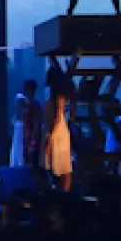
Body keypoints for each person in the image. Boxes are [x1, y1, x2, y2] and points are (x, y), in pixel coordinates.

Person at [44, 63, 74, 191]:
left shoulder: (57, 98)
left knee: (58, 165)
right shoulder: (59, 96)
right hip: (59, 130)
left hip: (57, 132)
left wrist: (49, 136)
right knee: (60, 165)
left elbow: (56, 116)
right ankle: (62, 192)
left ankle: (62, 192)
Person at [20, 79, 43, 167]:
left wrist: (33, 142)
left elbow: (37, 124)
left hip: (32, 141)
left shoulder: (35, 106)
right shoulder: (27, 105)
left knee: (32, 165)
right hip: (26, 140)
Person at [9, 94, 28, 167]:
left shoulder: (25, 114)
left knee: (21, 157)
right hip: (16, 139)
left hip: (22, 138)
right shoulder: (16, 115)